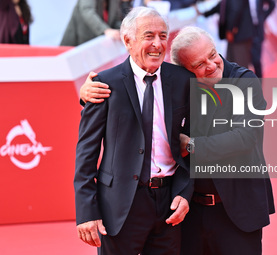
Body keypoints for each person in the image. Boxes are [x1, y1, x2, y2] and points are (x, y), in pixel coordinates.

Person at [81, 26, 275, 255]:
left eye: (212, 55)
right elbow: (137, 99)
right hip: (189, 214)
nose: (211, 65)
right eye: (198, 65)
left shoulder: (244, 80)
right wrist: (87, 96)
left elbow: (245, 138)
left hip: (237, 212)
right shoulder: (180, 86)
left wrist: (190, 145)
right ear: (185, 72)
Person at [74, 7, 194, 255]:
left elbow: (195, 143)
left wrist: (185, 191)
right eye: (148, 35)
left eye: (163, 36)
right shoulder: (104, 85)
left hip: (169, 201)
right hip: (120, 205)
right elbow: (86, 153)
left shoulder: (183, 80)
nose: (157, 44)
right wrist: (86, 211)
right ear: (128, 40)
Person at [201, 0, 254, 69]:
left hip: (239, 36)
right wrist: (203, 13)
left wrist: (230, 30)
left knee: (241, 64)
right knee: (232, 63)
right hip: (234, 37)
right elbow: (221, 7)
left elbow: (236, 10)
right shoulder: (224, 2)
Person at [60, 0, 132, 46]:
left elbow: (115, 20)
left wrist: (125, 30)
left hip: (97, 47)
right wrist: (105, 30)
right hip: (77, 44)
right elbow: (87, 11)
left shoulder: (114, 2)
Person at [249, 0, 276, 78]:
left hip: (258, 30)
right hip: (246, 31)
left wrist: (263, 16)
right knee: (246, 60)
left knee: (256, 60)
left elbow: (272, 4)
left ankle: (259, 82)